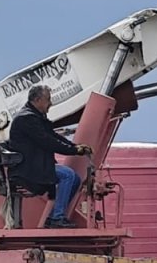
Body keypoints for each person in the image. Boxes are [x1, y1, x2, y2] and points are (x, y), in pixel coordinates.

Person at [6, 85, 93, 228]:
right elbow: (47, 141)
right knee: (68, 176)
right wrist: (74, 151)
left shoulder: (34, 117)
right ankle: (57, 218)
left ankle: (54, 216)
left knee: (75, 179)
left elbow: (52, 136)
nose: (50, 103)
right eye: (48, 100)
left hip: (37, 165)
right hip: (29, 169)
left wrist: (75, 147)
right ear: (38, 99)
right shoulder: (27, 119)